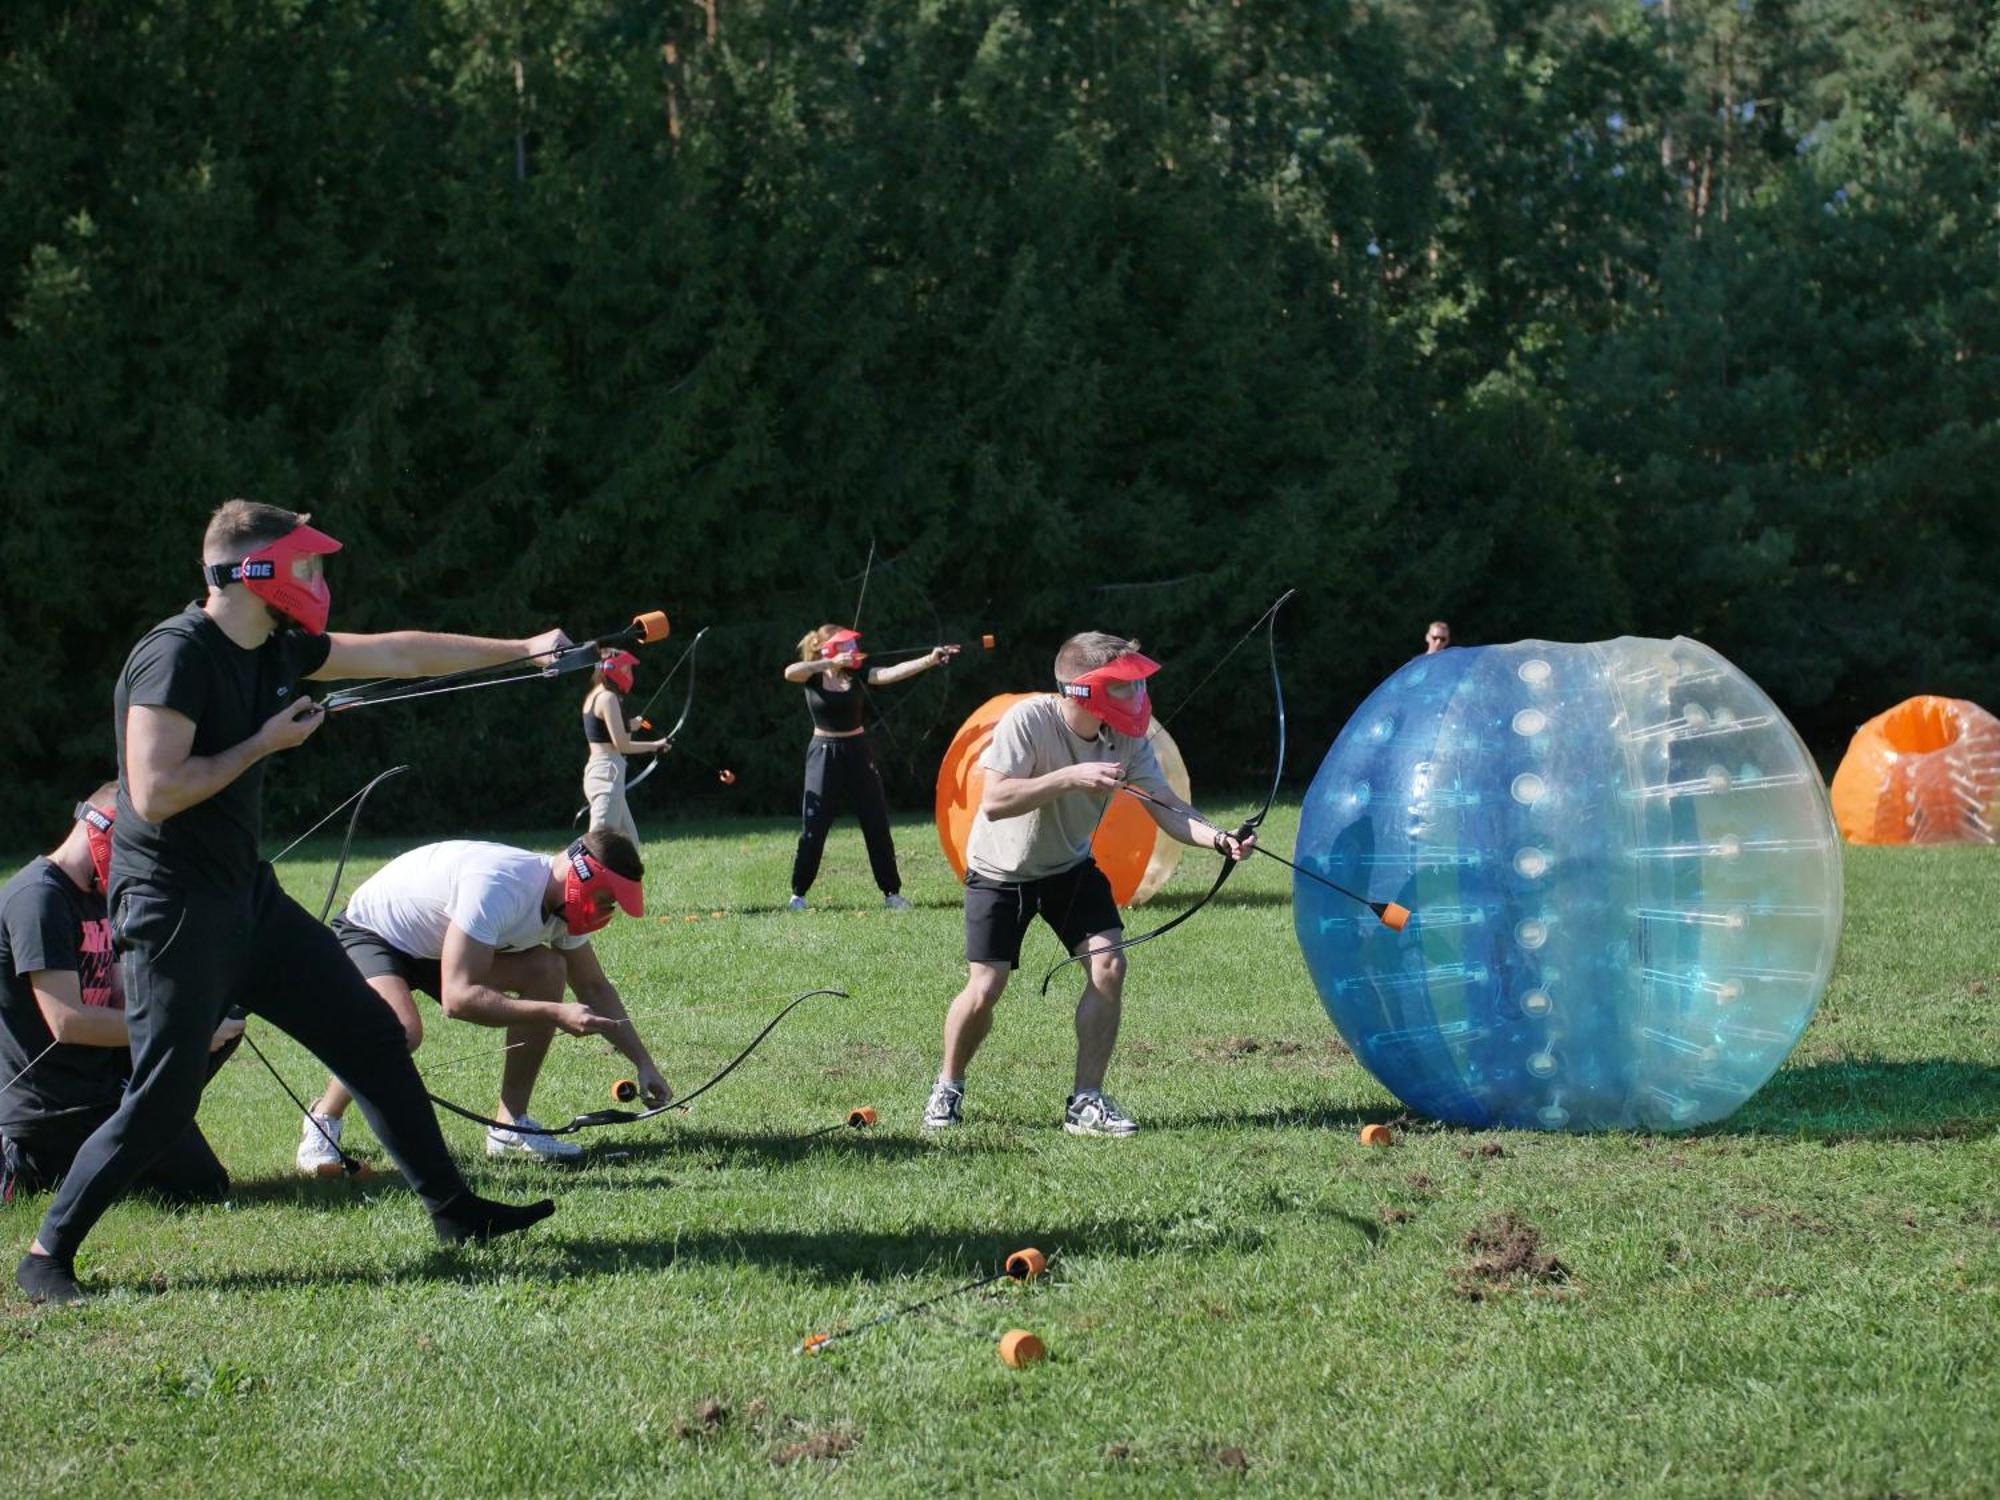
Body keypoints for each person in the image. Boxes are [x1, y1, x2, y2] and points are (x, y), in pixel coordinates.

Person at [17, 499, 568, 1306]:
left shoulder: (275, 647)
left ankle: (454, 1211)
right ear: (256, 572)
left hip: (249, 898)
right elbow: (156, 790)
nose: (320, 580)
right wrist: (263, 743)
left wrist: (523, 650)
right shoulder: (176, 656)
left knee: (371, 1036)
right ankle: (45, 1256)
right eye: (307, 566)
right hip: (173, 910)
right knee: (165, 1093)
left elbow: (396, 653)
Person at [922, 632, 1252, 1138]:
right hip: (1000, 872)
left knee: (1109, 963)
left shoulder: (1127, 737)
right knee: (985, 989)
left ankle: (1086, 1102)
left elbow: (1164, 802)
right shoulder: (1029, 720)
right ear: (1087, 690)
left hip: (1069, 869)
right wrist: (1070, 777)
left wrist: (1218, 839)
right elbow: (996, 800)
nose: (1138, 698)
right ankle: (948, 1084)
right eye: (1125, 688)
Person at [296, 830, 672, 1171]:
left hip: (440, 942)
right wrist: (556, 1013)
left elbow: (593, 988)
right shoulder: (500, 886)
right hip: (373, 931)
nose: (606, 913)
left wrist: (644, 1063)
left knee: (548, 968)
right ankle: (323, 1118)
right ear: (581, 878)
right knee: (400, 1032)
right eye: (606, 901)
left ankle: (510, 1125)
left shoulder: (562, 911)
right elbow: (458, 999)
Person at [1, 790, 240, 1203]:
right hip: (53, 1107)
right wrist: (185, 1032)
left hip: (102, 1081)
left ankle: (151, 1122)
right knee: (202, 1185)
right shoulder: (38, 899)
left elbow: (121, 997)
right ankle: (31, 1163)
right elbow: (67, 1022)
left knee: (222, 1011)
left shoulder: (98, 897)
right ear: (107, 831)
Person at [780, 625, 956, 912]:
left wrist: (930, 659)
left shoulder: (857, 674)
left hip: (857, 752)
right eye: (845, 645)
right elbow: (790, 671)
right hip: (823, 753)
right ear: (829, 648)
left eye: (852, 645)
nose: (852, 650)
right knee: (814, 827)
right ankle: (798, 893)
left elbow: (889, 673)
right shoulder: (812, 675)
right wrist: (829, 663)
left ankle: (891, 893)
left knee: (876, 823)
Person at [580, 648, 668, 846]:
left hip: (603, 771)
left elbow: (609, 735)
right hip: (607, 773)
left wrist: (629, 725)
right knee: (600, 844)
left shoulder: (595, 695)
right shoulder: (608, 698)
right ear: (611, 670)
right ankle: (568, 876)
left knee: (629, 844)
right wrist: (655, 745)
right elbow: (622, 745)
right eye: (626, 670)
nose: (629, 675)